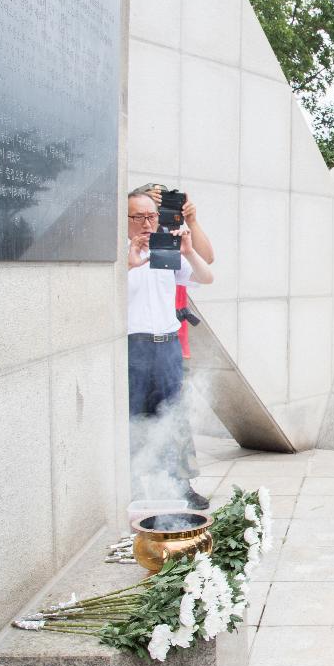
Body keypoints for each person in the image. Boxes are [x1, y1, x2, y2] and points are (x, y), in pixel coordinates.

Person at [126, 189, 214, 507]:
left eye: (152, 216)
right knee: (132, 419)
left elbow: (207, 276)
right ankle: (132, 489)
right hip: (131, 349)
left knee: (174, 417)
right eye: (138, 217)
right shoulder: (115, 256)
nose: (147, 223)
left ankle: (180, 485)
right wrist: (128, 264)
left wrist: (188, 251)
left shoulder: (166, 250)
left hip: (167, 348)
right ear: (125, 220)